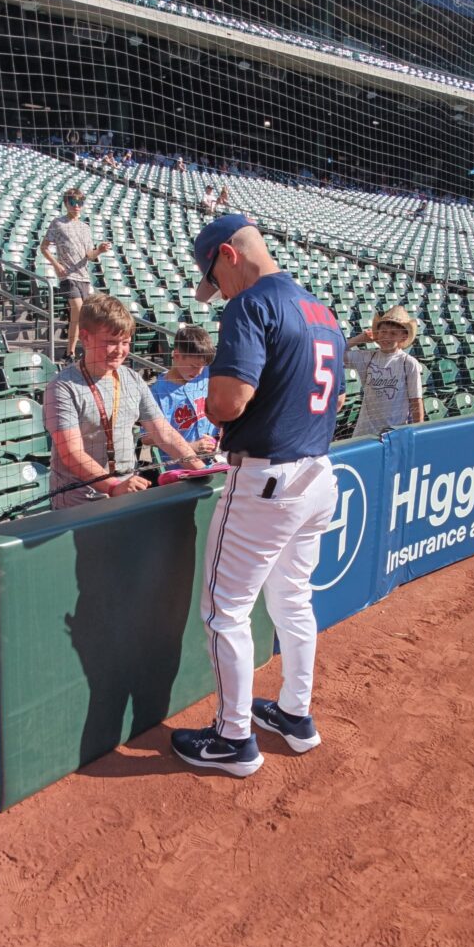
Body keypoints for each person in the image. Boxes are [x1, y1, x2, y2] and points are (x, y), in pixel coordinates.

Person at [170, 215, 345, 777]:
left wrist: (215, 407)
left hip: (267, 483)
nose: (217, 290)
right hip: (318, 474)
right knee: (293, 600)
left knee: (225, 613)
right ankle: (295, 714)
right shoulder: (321, 309)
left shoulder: (249, 304)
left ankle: (232, 737)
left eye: (213, 277)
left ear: (228, 254)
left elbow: (226, 403)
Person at [42, 295, 205, 509]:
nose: (120, 350)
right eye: (110, 342)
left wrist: (201, 470)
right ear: (85, 337)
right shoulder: (62, 386)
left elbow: (163, 433)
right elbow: (71, 454)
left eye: (125, 342)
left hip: (125, 495)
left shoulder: (132, 378)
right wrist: (113, 486)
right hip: (78, 504)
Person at [40, 188, 111, 365]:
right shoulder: (58, 223)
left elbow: (90, 255)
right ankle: (73, 352)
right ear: (66, 204)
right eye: (73, 202)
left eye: (80, 203)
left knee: (81, 316)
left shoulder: (85, 227)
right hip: (68, 275)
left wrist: (100, 250)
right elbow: (44, 247)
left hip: (84, 276)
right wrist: (56, 265)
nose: (77, 206)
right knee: (78, 311)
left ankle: (72, 352)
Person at [344, 306, 423, 438]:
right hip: (364, 434)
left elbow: (416, 401)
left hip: (393, 435)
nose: (386, 337)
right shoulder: (367, 358)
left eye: (393, 333)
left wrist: (419, 433)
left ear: (403, 337)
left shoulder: (408, 363)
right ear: (377, 334)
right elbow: (334, 353)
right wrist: (360, 338)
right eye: (383, 332)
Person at [145, 326, 219, 466]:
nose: (199, 372)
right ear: (176, 356)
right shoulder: (158, 392)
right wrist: (190, 447)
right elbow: (147, 437)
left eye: (202, 366)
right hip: (179, 468)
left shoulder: (205, 375)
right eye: (193, 366)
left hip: (214, 460)